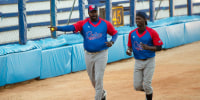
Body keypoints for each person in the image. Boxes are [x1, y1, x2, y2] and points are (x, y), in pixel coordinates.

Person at [49, 4, 118, 100]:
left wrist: (112, 41)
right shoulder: (83, 23)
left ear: (97, 12)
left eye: (95, 11)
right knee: (92, 78)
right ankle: (102, 93)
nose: (93, 14)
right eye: (91, 12)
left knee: (98, 78)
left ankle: (98, 98)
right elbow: (71, 27)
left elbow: (115, 33)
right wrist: (57, 28)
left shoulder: (105, 23)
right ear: (88, 13)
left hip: (102, 54)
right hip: (88, 54)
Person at [126, 11, 163, 100]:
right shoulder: (132, 33)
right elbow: (130, 46)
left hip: (149, 61)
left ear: (145, 19)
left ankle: (148, 95)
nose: (137, 21)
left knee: (147, 84)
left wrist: (148, 47)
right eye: (136, 19)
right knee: (137, 86)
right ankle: (149, 91)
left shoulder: (152, 32)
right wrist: (128, 50)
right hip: (138, 61)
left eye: (139, 19)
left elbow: (159, 47)